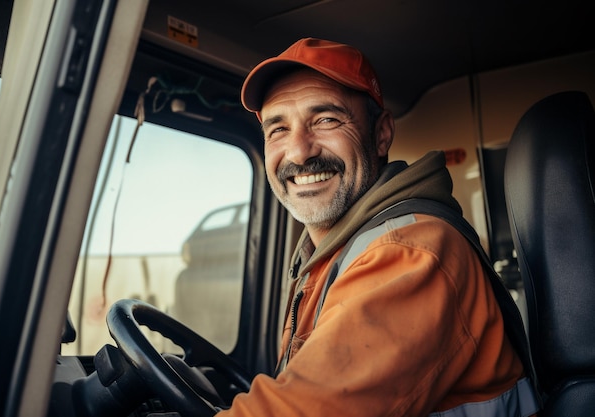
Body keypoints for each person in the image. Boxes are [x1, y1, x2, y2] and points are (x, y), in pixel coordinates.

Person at [217, 38, 539, 417]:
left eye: (325, 119)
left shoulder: (410, 252)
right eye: (278, 129)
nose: (300, 151)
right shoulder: (330, 254)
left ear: (382, 134)